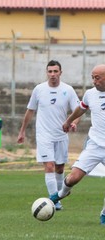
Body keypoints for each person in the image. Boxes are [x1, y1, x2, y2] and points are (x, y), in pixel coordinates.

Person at [17, 60, 80, 210]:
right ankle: (55, 202)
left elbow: (78, 111)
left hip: (61, 134)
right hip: (44, 134)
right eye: (50, 71)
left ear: (60, 72)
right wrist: (22, 130)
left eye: (55, 71)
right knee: (50, 166)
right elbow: (30, 111)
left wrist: (74, 122)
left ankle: (59, 195)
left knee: (59, 168)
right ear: (47, 73)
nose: (52, 74)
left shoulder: (68, 90)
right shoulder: (39, 89)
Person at [50, 64, 105, 225]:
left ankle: (104, 214)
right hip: (94, 144)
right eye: (93, 77)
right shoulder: (90, 94)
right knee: (73, 178)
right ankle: (62, 193)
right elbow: (81, 109)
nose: (94, 81)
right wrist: (68, 121)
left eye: (98, 78)